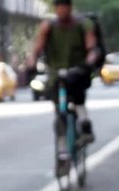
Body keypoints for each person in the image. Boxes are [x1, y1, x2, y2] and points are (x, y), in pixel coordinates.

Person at [27, 0, 99, 152]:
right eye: (59, 7)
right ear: (56, 8)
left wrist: (87, 63)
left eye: (65, 6)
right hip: (55, 73)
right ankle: (62, 147)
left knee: (78, 96)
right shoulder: (48, 26)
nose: (62, 10)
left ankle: (85, 126)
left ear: (70, 8)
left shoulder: (82, 24)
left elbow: (92, 48)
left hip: (77, 70)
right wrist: (31, 64)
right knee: (59, 112)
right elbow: (37, 49)